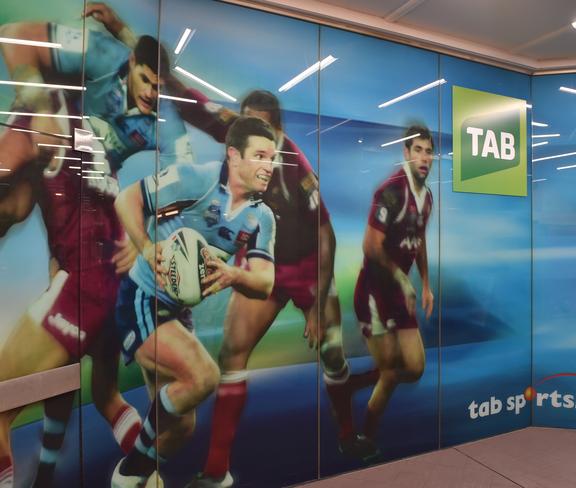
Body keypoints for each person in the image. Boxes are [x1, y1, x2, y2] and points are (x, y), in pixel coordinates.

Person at [0, 17, 193, 487]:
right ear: (130, 66)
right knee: (105, 394)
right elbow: (20, 37)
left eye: (160, 87)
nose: (152, 94)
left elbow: (186, 181)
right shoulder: (96, 62)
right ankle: (143, 478)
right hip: (109, 274)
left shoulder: (32, 133)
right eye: (146, 80)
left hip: (92, 276)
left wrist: (143, 232)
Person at [185, 90, 378, 488]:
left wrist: (318, 299)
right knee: (231, 353)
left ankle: (347, 436)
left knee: (332, 352)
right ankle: (216, 471)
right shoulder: (236, 141)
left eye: (266, 130)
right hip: (264, 262)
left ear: (278, 132)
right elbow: (191, 99)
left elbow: (326, 235)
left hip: (308, 269)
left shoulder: (296, 167)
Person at [111, 116, 277, 488]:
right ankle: (133, 468)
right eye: (261, 156)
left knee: (181, 426)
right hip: (142, 299)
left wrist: (235, 275)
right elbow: (127, 200)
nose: (270, 166)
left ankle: (127, 480)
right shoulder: (195, 179)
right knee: (203, 377)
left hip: (177, 313)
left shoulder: (261, 217)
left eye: (273, 158)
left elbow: (265, 283)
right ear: (234, 156)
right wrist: (147, 246)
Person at [353, 125, 435, 456]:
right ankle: (365, 438)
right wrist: (401, 279)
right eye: (418, 150)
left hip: (401, 294)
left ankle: (358, 382)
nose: (424, 157)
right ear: (406, 153)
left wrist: (426, 282)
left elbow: (420, 239)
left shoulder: (427, 196)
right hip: (373, 293)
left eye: (429, 151)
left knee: (413, 368)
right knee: (389, 373)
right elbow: (370, 246)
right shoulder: (390, 192)